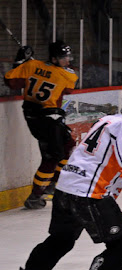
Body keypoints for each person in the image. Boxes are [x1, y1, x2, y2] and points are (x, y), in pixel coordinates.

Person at [8, 86, 122, 270]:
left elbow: (103, 160)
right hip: (88, 194)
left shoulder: (105, 121)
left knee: (60, 240)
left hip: (66, 187)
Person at [4, 41, 78, 209]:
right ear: (53, 58)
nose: (67, 60)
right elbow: (69, 88)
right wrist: (46, 69)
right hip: (47, 120)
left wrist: (20, 62)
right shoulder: (65, 74)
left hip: (35, 116)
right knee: (51, 158)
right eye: (63, 58)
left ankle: (52, 183)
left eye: (68, 57)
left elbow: (11, 81)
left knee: (69, 147)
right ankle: (35, 196)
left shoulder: (31, 65)